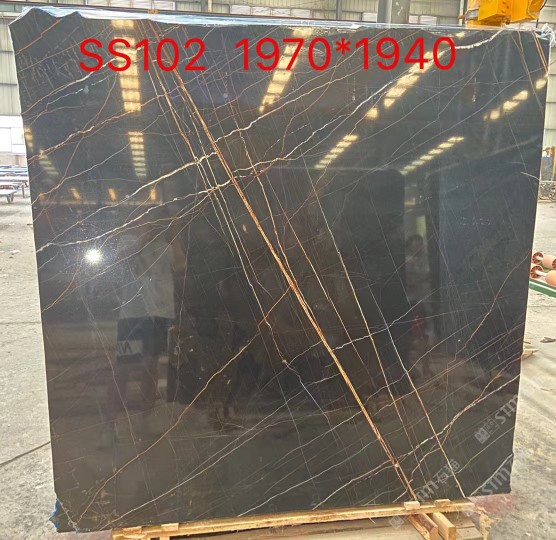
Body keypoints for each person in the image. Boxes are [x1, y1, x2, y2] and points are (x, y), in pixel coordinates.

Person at [99, 217, 182, 447]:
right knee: (122, 369)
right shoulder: (127, 240)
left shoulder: (165, 246)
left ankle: (146, 419)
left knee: (151, 366)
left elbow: (181, 265)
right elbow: (121, 260)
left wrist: (175, 234)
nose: (152, 223)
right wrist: (145, 237)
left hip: (159, 314)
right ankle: (109, 426)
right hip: (133, 315)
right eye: (147, 219)